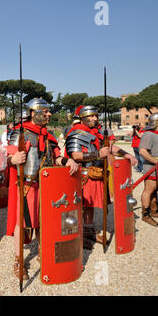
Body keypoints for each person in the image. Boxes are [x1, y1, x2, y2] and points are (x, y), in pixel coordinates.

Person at [7, 98, 79, 279]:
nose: (49, 114)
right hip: (28, 185)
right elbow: (4, 157)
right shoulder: (20, 133)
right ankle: (19, 260)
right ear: (33, 113)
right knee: (22, 223)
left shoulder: (48, 136)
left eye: (48, 111)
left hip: (48, 186)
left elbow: (55, 158)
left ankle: (43, 251)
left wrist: (67, 160)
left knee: (45, 221)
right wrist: (12, 160)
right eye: (45, 112)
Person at [65, 105, 138, 249]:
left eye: (96, 116)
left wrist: (126, 154)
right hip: (83, 175)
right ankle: (77, 235)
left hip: (96, 174)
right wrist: (98, 154)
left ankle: (89, 230)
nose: (94, 118)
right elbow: (75, 155)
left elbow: (109, 148)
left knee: (90, 206)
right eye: (91, 116)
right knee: (80, 207)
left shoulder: (98, 132)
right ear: (83, 118)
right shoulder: (76, 133)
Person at [139, 113, 158, 226]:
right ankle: (145, 214)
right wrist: (157, 162)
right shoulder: (148, 134)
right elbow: (142, 151)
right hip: (151, 167)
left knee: (155, 190)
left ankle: (154, 210)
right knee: (149, 190)